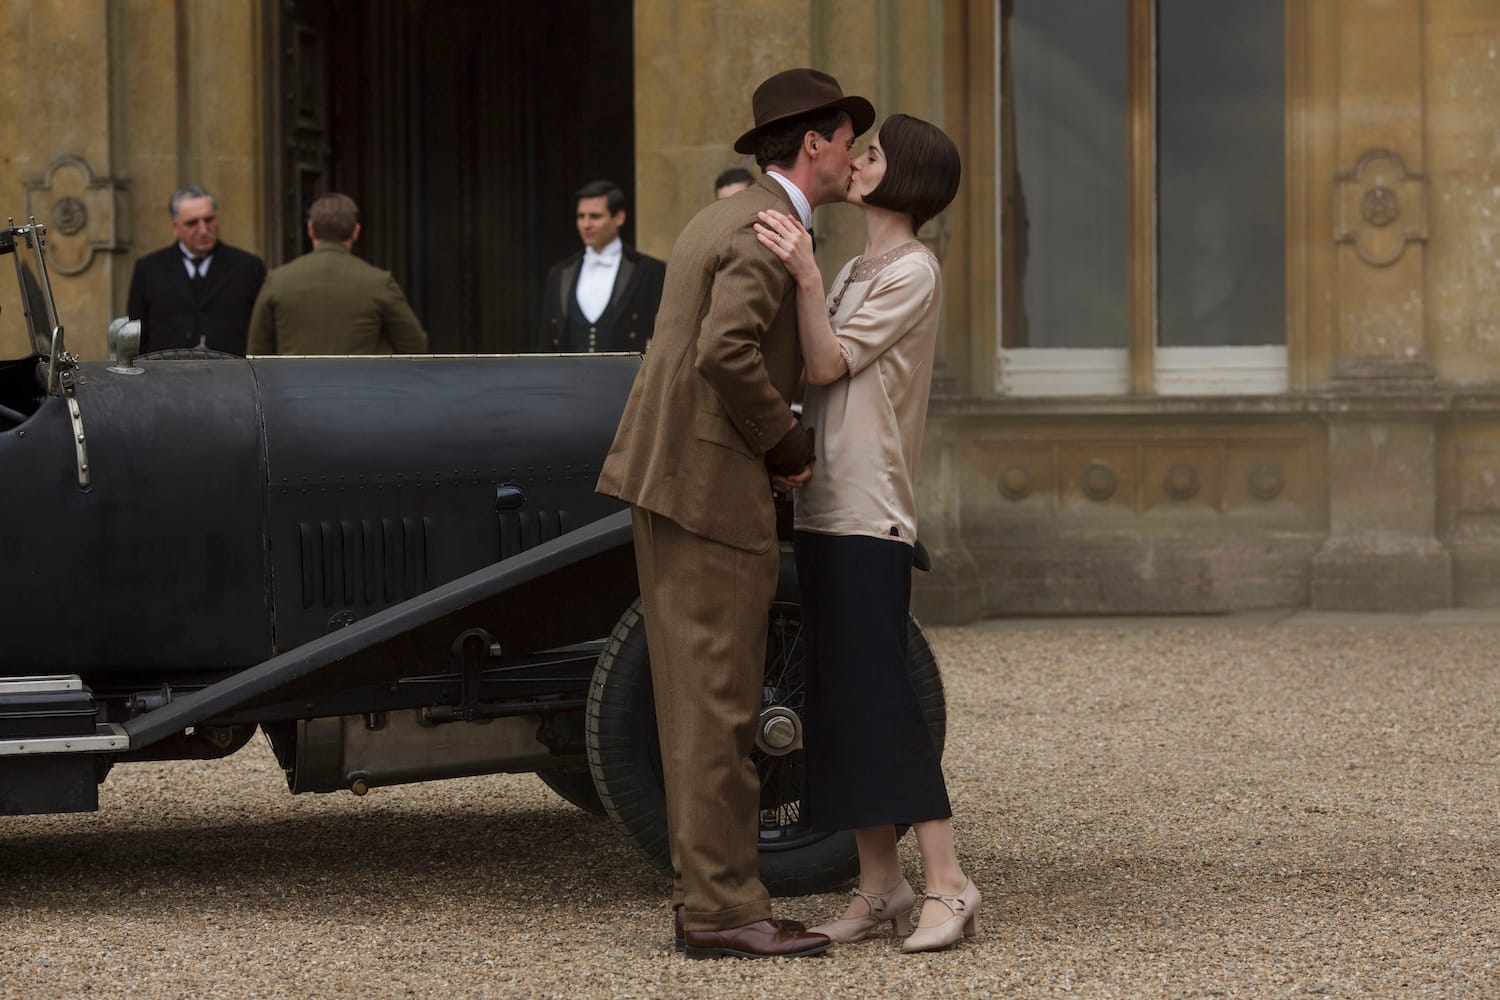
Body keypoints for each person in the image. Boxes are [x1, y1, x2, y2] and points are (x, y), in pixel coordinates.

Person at [596, 68, 873, 960]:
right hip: (710, 487)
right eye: (846, 139)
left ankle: (712, 901)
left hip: (676, 478)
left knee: (695, 701)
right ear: (813, 146)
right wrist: (788, 444)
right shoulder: (766, 231)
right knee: (718, 705)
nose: (854, 155)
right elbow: (725, 352)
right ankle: (721, 914)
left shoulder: (727, 217)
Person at [752, 113, 973, 954]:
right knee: (837, 699)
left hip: (872, 509)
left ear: (901, 175)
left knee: (880, 695)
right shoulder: (854, 266)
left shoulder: (913, 270)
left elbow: (826, 363)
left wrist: (805, 276)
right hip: (824, 503)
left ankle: (949, 882)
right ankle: (881, 885)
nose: (855, 161)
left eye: (872, 154)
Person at [246, 193, 428, 356]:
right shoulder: (379, 282)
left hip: (297, 391)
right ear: (356, 232)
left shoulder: (277, 280)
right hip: (361, 390)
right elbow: (415, 346)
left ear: (310, 229)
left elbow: (257, 353)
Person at [126, 186, 266, 355]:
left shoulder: (248, 267)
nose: (203, 230)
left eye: (209, 220)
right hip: (166, 374)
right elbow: (137, 333)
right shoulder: (149, 269)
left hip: (233, 374)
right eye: (192, 223)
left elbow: (263, 331)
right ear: (175, 227)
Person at [534, 180, 665, 353]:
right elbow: (547, 341)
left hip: (628, 378)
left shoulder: (649, 270)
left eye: (595, 216)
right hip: (568, 379)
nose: (586, 225)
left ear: (619, 217)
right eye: (581, 216)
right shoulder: (559, 273)